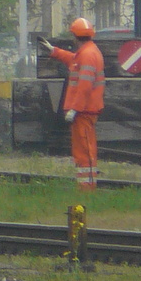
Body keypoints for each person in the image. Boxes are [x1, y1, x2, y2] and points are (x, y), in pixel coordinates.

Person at [38, 18, 105, 190]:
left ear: (75, 36)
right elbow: (73, 60)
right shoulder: (87, 52)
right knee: (82, 150)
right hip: (85, 110)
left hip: (83, 111)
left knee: (85, 151)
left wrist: (75, 109)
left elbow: (84, 86)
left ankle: (87, 190)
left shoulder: (88, 55)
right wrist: (54, 51)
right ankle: (85, 187)